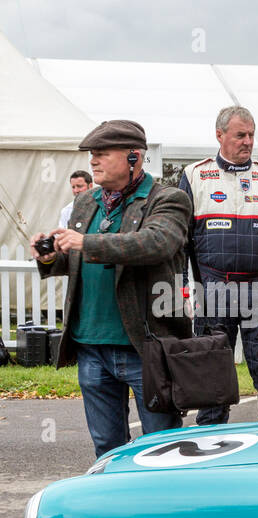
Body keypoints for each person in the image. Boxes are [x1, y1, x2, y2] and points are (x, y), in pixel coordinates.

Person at [31, 121, 191, 457]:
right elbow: (73, 260)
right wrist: (49, 257)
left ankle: (163, 506)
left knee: (161, 446)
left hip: (145, 346)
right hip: (91, 345)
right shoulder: (86, 201)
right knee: (106, 446)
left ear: (134, 157)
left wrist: (85, 241)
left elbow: (156, 243)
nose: (93, 161)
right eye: (92, 155)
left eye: (102, 154)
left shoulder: (168, 199)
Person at [179, 105, 258, 425]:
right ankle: (209, 443)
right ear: (220, 135)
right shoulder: (195, 175)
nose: (247, 141)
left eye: (251, 135)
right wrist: (183, 288)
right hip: (213, 287)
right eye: (240, 135)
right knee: (211, 370)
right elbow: (179, 241)